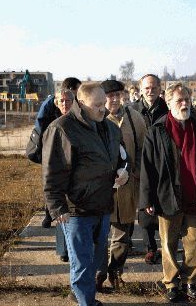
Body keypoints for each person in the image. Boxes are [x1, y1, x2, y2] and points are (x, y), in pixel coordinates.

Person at [42, 83, 129, 306]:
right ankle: (86, 302)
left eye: (104, 103)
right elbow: (52, 172)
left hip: (102, 206)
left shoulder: (109, 128)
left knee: (94, 261)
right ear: (81, 104)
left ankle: (82, 296)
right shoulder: (62, 129)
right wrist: (57, 207)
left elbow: (121, 156)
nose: (104, 109)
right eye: (98, 105)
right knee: (81, 262)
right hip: (76, 210)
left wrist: (123, 171)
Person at [139, 82, 196, 302]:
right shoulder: (157, 129)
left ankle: (190, 281)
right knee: (168, 243)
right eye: (179, 101)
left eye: (187, 100)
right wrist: (147, 198)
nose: (184, 104)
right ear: (168, 102)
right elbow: (147, 167)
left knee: (195, 244)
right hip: (168, 197)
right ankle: (171, 283)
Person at [96, 80, 147, 291]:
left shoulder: (134, 119)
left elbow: (144, 151)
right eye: (110, 96)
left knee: (122, 235)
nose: (115, 99)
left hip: (127, 189)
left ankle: (116, 273)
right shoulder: (94, 120)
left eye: (118, 95)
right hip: (99, 191)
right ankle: (98, 275)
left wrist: (135, 177)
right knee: (98, 236)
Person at [131, 74, 168, 264]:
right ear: (140, 89)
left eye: (154, 87)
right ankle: (150, 248)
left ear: (160, 88)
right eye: (146, 88)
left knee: (163, 207)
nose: (150, 91)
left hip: (163, 165)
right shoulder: (133, 110)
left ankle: (166, 245)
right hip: (140, 166)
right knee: (144, 209)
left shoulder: (167, 109)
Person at [38, 77, 82, 229]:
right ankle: (50, 215)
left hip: (72, 168)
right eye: (61, 101)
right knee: (56, 191)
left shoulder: (79, 119)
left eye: (68, 101)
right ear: (56, 103)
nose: (65, 104)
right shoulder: (54, 123)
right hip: (55, 161)